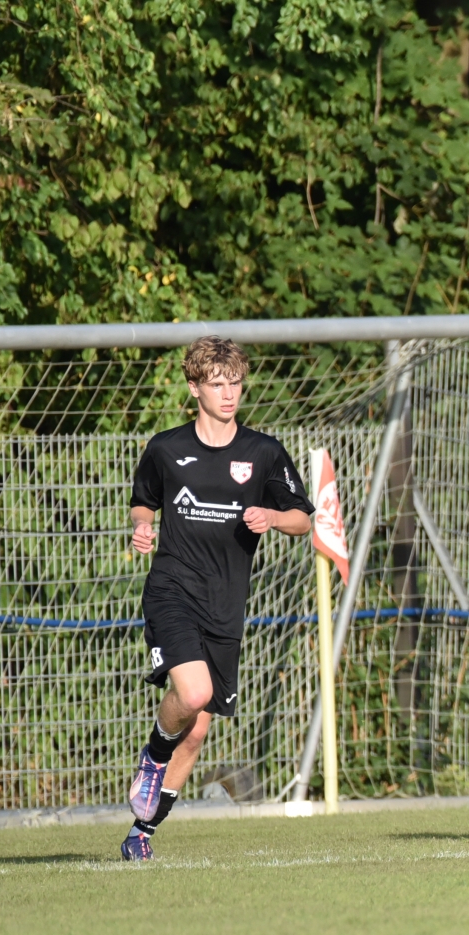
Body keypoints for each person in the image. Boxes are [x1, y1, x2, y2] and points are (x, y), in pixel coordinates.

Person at [123, 337, 314, 861]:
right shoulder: (166, 448)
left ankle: (142, 833)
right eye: (217, 384)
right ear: (194, 388)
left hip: (226, 603)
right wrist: (142, 527)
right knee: (193, 694)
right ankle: (153, 755)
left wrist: (273, 517)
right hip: (172, 588)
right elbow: (143, 502)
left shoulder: (263, 452)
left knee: (198, 729)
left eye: (236, 383)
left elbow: (302, 518)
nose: (228, 394)